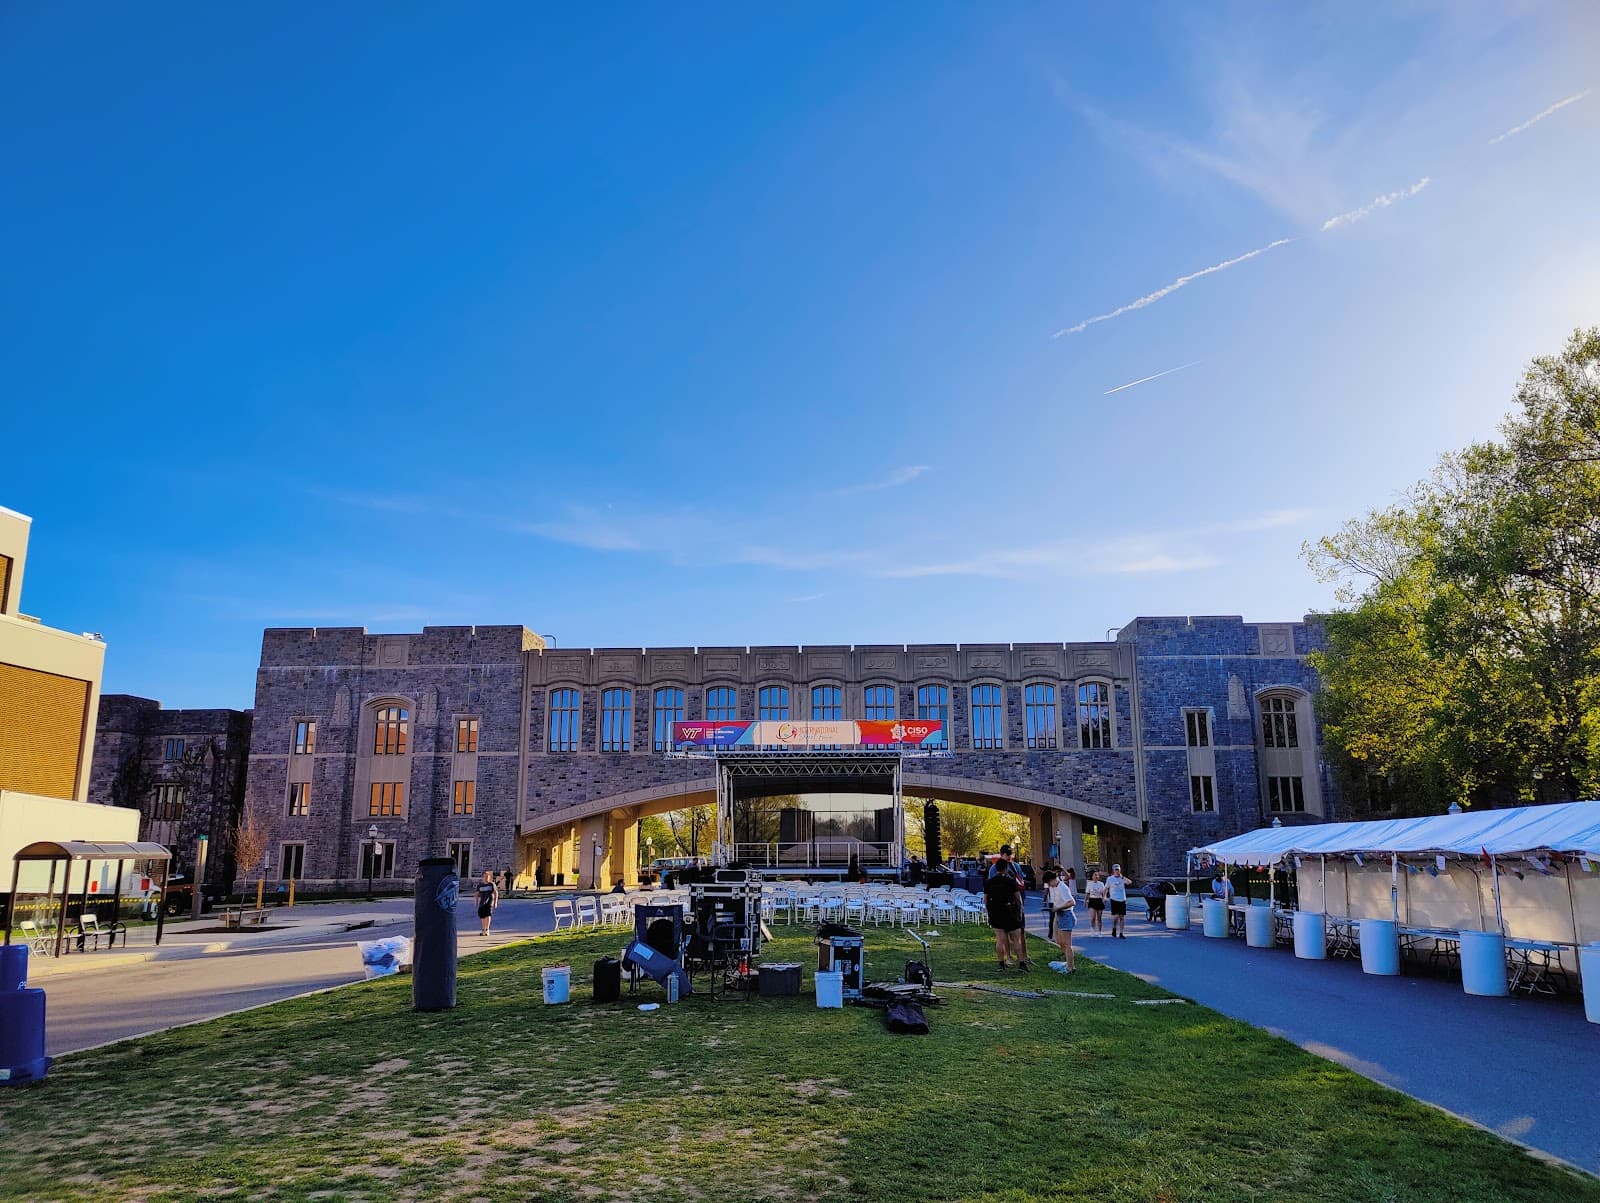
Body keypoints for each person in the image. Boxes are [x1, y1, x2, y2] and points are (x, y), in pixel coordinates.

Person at [983, 854, 1028, 971]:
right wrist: (1020, 910)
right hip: (1010, 911)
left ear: (995, 868)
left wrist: (989, 911)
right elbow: (1018, 898)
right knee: (1016, 939)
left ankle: (1001, 963)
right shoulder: (1010, 881)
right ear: (1006, 868)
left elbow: (985, 899)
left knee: (1000, 939)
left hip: (996, 912)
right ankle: (1022, 963)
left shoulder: (989, 882)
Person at [1042, 869, 1076, 971]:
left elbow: (1071, 902)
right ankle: (1067, 962)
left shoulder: (1062, 887)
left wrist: (1057, 908)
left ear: (1053, 879)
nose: (1049, 885)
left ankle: (1070, 967)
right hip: (1059, 915)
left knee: (1066, 943)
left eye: (1049, 883)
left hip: (1066, 915)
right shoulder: (1053, 887)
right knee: (1060, 941)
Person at [1106, 863, 1129, 939]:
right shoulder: (1110, 879)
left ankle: (1121, 933)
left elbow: (1129, 882)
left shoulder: (1122, 878)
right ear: (1113, 870)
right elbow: (1106, 888)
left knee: (1121, 917)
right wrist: (1104, 896)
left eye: (1118, 870)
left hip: (1122, 899)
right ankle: (1114, 928)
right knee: (1115, 916)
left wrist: (1122, 877)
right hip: (1114, 899)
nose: (1117, 871)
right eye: (1116, 870)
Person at [475, 870, 499, 936]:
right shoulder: (480, 886)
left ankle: (487, 929)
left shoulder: (491, 884)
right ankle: (483, 929)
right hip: (482, 902)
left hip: (489, 902)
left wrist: (495, 902)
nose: (486, 878)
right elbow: (476, 894)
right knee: (482, 916)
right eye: (485, 877)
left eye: (487, 877)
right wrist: (476, 902)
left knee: (488, 915)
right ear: (483, 877)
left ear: (489, 877)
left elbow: (496, 893)